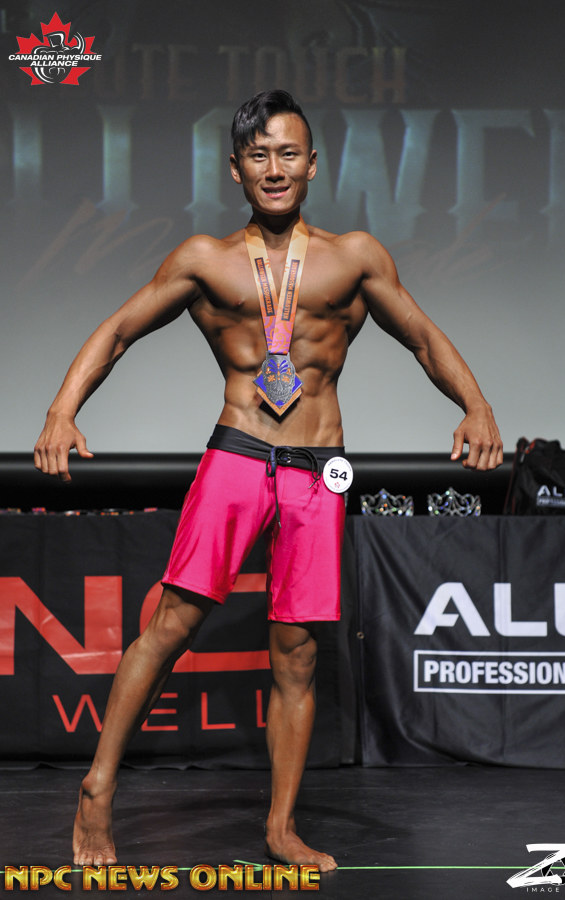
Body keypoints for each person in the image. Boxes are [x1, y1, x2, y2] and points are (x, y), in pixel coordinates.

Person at [34, 90, 503, 872]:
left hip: (318, 471)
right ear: (235, 168)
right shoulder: (205, 260)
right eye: (259, 155)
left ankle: (280, 828)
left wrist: (476, 405)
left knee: (297, 654)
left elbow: (422, 338)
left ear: (312, 164)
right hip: (239, 456)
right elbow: (116, 332)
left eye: (288, 153)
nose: (274, 168)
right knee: (172, 623)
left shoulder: (355, 256)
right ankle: (98, 786)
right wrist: (60, 412)